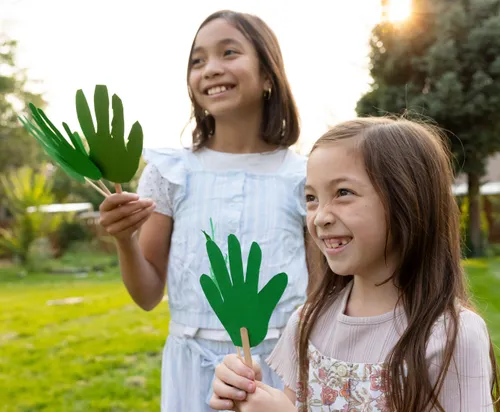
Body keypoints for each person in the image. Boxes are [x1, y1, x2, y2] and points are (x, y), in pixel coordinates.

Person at [98, 9, 317, 412]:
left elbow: (321, 295)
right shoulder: (170, 173)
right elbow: (148, 295)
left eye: (228, 53)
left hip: (279, 371)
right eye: (197, 61)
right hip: (192, 369)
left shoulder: (304, 177)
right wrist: (125, 239)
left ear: (269, 76)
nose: (210, 69)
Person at [209, 117, 500, 412]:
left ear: (408, 200)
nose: (320, 216)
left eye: (343, 193)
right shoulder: (307, 323)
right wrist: (249, 396)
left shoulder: (451, 336)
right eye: (311, 198)